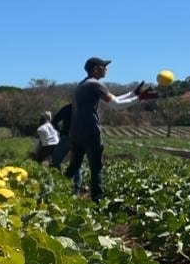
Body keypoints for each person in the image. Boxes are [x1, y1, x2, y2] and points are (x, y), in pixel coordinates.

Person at [64, 57, 156, 201]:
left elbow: (115, 99)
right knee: (96, 167)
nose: (106, 69)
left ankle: (56, 189)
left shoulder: (83, 84)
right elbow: (117, 105)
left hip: (75, 132)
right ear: (96, 69)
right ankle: (97, 200)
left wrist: (133, 94)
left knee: (74, 166)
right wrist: (140, 98)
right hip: (90, 132)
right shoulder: (95, 84)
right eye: (104, 66)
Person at [50, 103, 73, 168]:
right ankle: (75, 178)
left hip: (66, 136)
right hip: (79, 138)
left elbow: (54, 122)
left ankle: (56, 176)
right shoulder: (84, 108)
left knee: (55, 162)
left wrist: (60, 131)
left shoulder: (66, 108)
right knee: (76, 164)